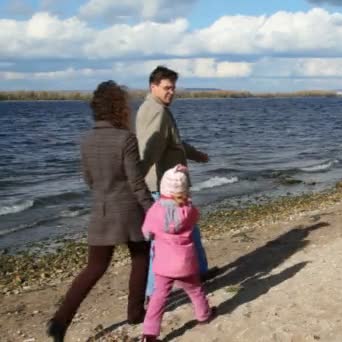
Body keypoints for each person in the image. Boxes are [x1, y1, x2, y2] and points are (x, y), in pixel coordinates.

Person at [47, 81, 154, 341]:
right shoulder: (125, 138)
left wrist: (106, 194)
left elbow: (89, 180)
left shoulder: (86, 140)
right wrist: (153, 209)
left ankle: (60, 322)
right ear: (119, 107)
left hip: (100, 209)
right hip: (128, 211)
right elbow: (136, 182)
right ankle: (135, 313)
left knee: (93, 268)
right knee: (140, 257)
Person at [136, 66, 219, 299]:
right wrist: (136, 178)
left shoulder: (156, 108)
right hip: (164, 187)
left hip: (170, 185)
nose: (171, 92)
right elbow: (149, 150)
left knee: (190, 231)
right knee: (163, 240)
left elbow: (175, 143)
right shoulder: (156, 112)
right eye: (166, 88)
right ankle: (153, 291)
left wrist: (196, 155)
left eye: (173, 88)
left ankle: (200, 272)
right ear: (153, 87)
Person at [141, 165, 216, 341]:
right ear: (185, 189)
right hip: (185, 262)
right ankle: (204, 315)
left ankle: (150, 333)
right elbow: (194, 218)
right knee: (195, 290)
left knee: (159, 297)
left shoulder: (155, 210)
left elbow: (146, 233)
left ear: (163, 188)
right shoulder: (189, 210)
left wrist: (155, 233)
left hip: (163, 263)